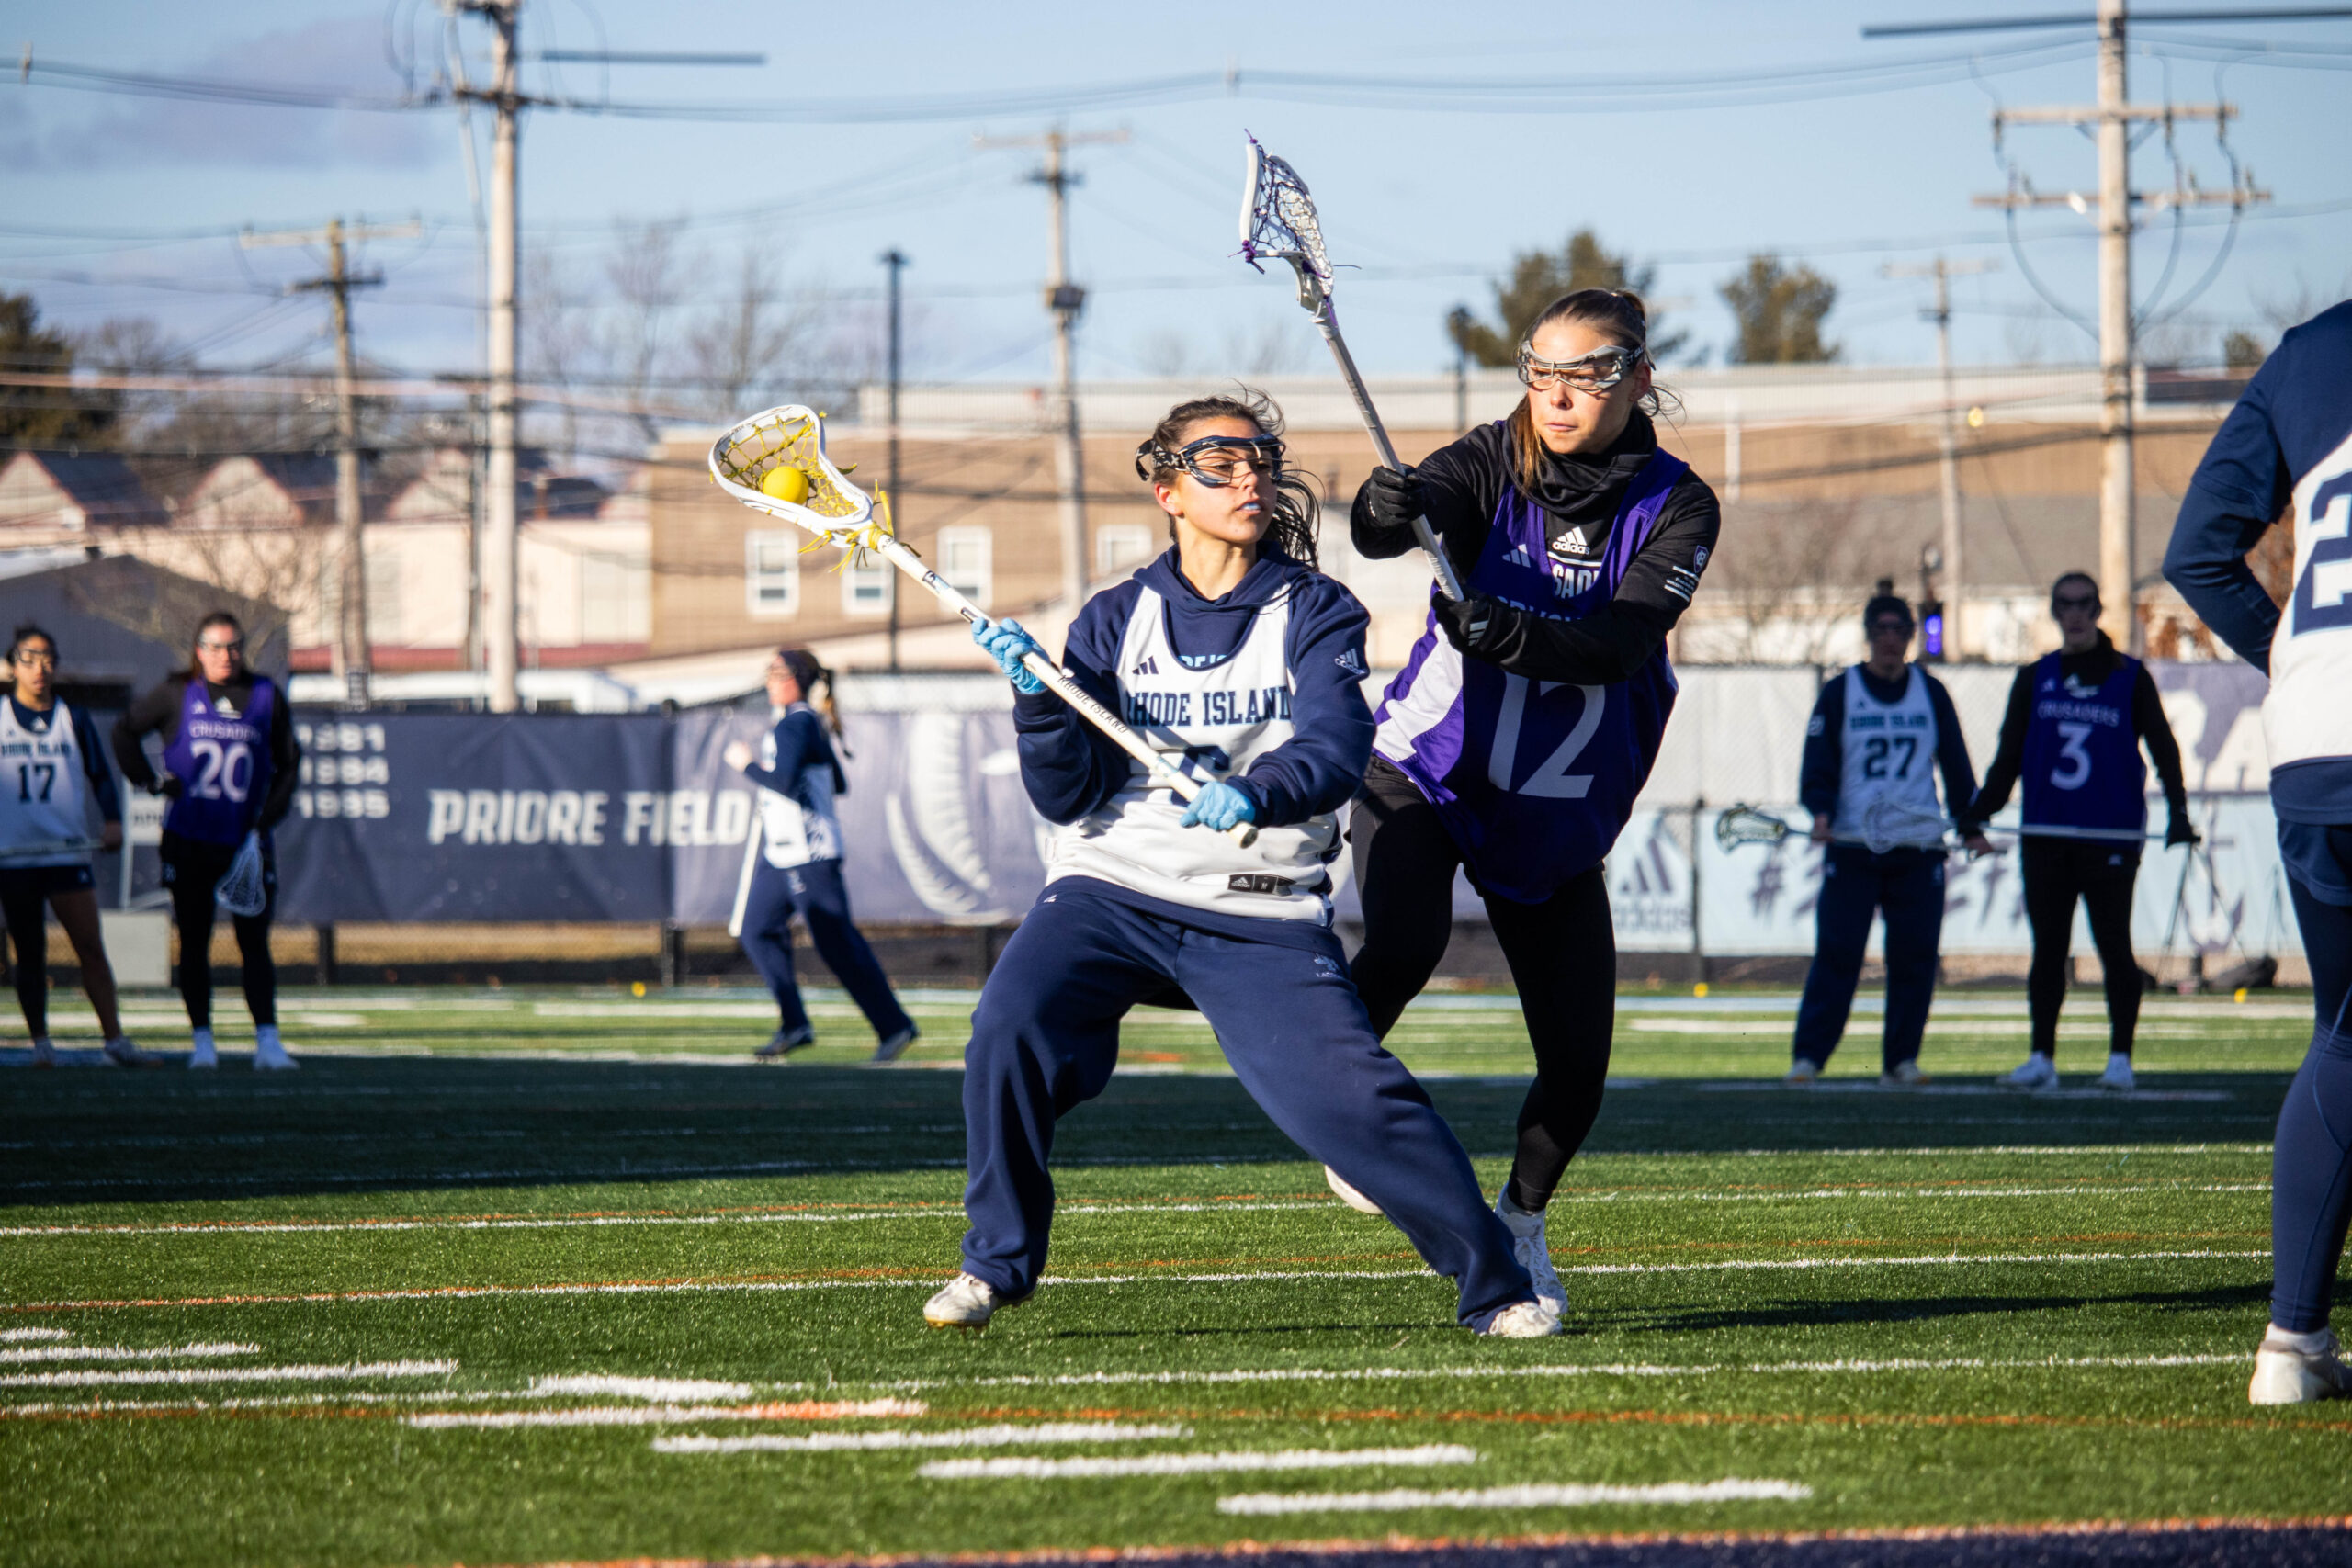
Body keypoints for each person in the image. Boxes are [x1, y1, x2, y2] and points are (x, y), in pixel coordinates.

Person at [926, 389, 1556, 1338]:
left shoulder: (1315, 609)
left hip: (1256, 909)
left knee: (1354, 1103)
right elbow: (1065, 795)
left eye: (1260, 458)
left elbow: (1337, 746)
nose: (1249, 477)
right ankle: (995, 1264)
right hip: (1111, 890)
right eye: (1218, 463)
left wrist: (1258, 792)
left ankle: (1496, 1284)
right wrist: (1039, 702)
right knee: (1008, 1025)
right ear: (1167, 491)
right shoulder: (1109, 620)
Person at [1345, 289, 1720, 1315]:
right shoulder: (1485, 454)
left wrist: (1508, 632)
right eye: (1539, 371)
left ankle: (1520, 1225)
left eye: (1585, 373)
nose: (1555, 395)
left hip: (1554, 804)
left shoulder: (1680, 504)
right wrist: (1382, 511)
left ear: (1639, 376)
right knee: (1402, 942)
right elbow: (1405, 524)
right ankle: (1347, 1115)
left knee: (1577, 1068)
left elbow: (1621, 642)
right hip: (1428, 763)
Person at [2163, 299, 2352, 1405]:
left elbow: (2197, 551)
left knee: (2344, 1033)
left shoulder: (2313, 349)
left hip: (2317, 728)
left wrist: (2288, 657)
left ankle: (2292, 1341)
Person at [1968, 573, 2194, 1094]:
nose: (2074, 615)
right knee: (2048, 947)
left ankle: (2120, 1059)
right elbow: (2009, 757)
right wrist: (1978, 812)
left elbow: (2162, 747)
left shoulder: (2129, 676)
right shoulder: (2035, 678)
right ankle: (2042, 1057)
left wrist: (2178, 811)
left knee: (2114, 944)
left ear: (2097, 609)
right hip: (2047, 833)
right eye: (2064, 605)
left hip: (2109, 835)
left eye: (2083, 605)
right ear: (2053, 611)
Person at [1786, 590, 1993, 1087]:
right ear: (1867, 635)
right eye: (1880, 630)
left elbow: (1957, 766)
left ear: (1910, 637)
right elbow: (1817, 765)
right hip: (1855, 844)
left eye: (1899, 630)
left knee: (1915, 957)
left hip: (1918, 846)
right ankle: (1809, 1057)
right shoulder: (1841, 692)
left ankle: (1901, 1059)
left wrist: (1970, 824)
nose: (1889, 640)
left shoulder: (1931, 692)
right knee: (1838, 953)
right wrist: (1820, 812)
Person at [111, 612, 299, 1071]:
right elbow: (123, 732)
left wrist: (265, 821)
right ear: (198, 650)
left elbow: (289, 763)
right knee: (194, 941)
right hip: (190, 839)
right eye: (215, 647)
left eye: (233, 647)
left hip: (244, 844)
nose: (225, 656)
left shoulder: (264, 695)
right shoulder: (178, 692)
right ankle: (202, 1042)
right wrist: (152, 783)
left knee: (253, 941)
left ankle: (268, 1042)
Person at [721, 649, 917, 1064]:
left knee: (837, 945)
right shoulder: (799, 723)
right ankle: (795, 1023)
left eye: (777, 671)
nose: (770, 679)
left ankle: (894, 1025)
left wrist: (746, 766)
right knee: (757, 929)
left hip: (809, 854)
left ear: (797, 678)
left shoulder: (797, 723)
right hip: (782, 853)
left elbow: (787, 784)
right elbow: (838, 782)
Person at [1, 625, 144, 1067]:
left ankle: (115, 1039)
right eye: (28, 658)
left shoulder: (72, 717)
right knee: (28, 953)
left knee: (90, 947)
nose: (39, 668)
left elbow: (101, 776)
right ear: (12, 666)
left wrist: (114, 821)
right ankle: (40, 1042)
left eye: (47, 658)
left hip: (65, 853)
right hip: (15, 858)